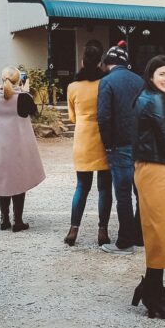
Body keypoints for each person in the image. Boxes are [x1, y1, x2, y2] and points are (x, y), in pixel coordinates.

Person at [130, 55, 165, 320]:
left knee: (159, 234)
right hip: (158, 170)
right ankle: (155, 295)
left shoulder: (144, 97)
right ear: (150, 75)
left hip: (147, 169)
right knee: (161, 235)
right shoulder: (155, 100)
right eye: (161, 74)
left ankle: (151, 288)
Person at [96, 41, 145, 255]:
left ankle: (125, 241)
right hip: (141, 143)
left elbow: (104, 117)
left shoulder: (106, 82)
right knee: (140, 192)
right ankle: (140, 235)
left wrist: (107, 144)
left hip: (119, 143)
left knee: (123, 193)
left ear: (109, 63)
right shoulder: (140, 80)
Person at [0, 67, 45, 232]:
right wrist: (25, 91)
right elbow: (35, 112)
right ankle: (18, 221)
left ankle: (4, 219)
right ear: (19, 80)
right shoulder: (24, 98)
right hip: (18, 147)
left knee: (3, 181)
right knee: (18, 181)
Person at [64, 46, 112, 246]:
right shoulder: (104, 84)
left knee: (82, 186)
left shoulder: (73, 87)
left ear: (82, 62)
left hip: (83, 138)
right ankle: (102, 230)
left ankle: (74, 229)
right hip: (103, 136)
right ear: (100, 63)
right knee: (104, 188)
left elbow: (72, 117)